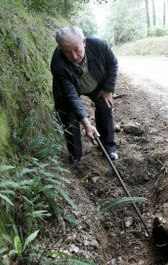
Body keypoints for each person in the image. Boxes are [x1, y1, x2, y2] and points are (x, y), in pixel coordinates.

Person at [50, 26, 119, 167]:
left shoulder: (99, 44)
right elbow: (71, 96)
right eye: (67, 52)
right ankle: (74, 156)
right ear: (61, 49)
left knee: (105, 106)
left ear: (84, 42)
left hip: (96, 83)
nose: (74, 56)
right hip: (70, 89)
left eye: (76, 49)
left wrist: (107, 89)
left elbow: (113, 63)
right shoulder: (58, 63)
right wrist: (87, 124)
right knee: (68, 116)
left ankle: (108, 147)